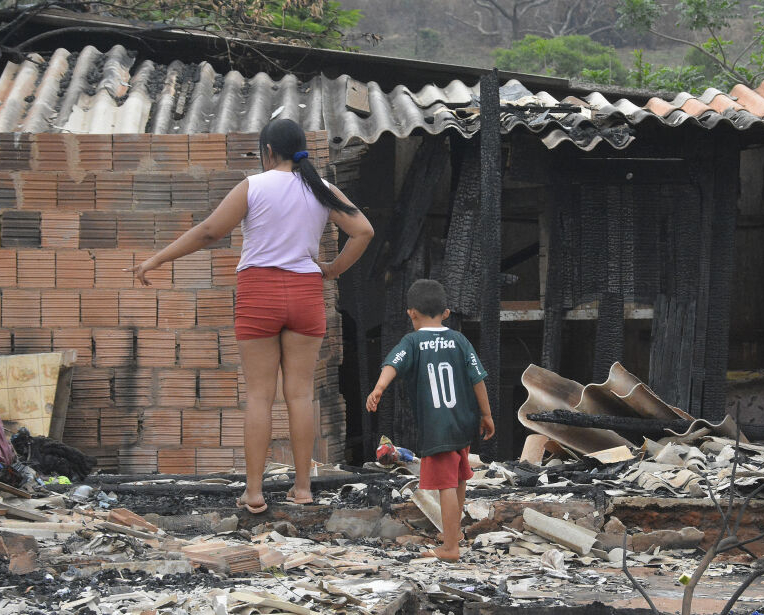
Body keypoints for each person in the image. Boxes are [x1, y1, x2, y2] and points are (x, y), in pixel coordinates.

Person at [129, 119, 374, 514]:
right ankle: (303, 489)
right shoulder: (322, 190)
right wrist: (332, 269)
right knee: (300, 395)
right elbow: (363, 231)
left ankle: (255, 493)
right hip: (306, 293)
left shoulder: (253, 186)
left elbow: (209, 232)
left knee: (259, 396)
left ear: (267, 151)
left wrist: (157, 259)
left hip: (258, 293)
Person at [367, 279, 495, 561]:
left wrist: (379, 388)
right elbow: (478, 379)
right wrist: (486, 414)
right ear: (446, 313)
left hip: (437, 428)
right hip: (463, 421)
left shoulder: (412, 341)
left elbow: (393, 363)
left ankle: (450, 548)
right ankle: (455, 533)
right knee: (460, 477)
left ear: (411, 313)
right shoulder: (460, 340)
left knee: (446, 485)